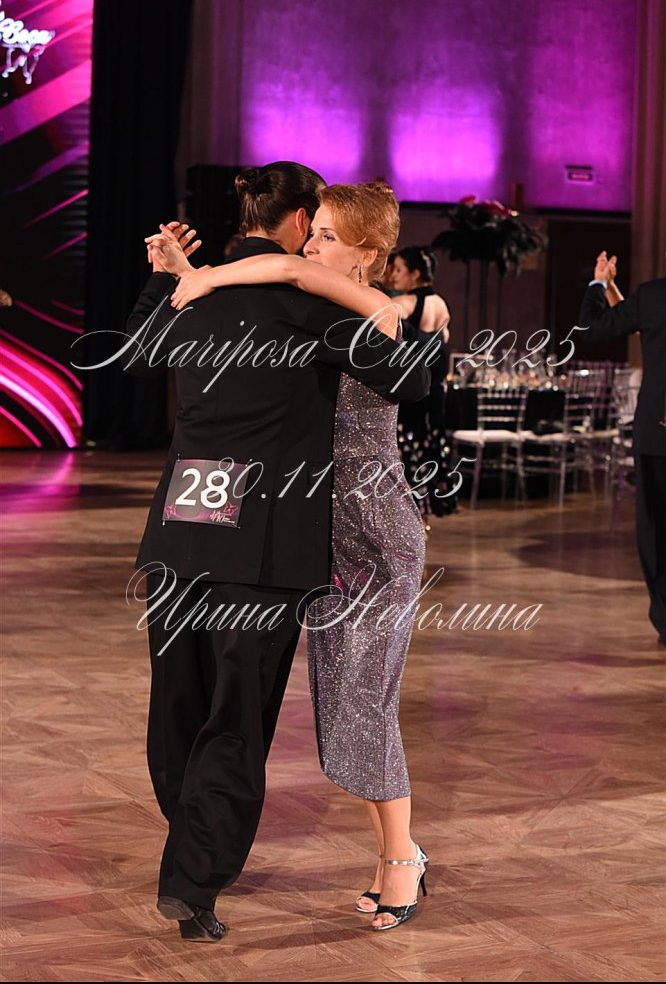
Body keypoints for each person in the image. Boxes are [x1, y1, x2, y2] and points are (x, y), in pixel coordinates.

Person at [125, 162, 431, 942]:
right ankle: (194, 875)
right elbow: (411, 378)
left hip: (180, 532)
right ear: (298, 224)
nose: (316, 243)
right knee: (233, 715)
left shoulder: (196, 293)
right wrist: (370, 303)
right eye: (315, 228)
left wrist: (169, 277)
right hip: (259, 548)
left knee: (178, 705)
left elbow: (133, 354)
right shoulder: (309, 308)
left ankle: (191, 848)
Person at [580, 250, 666, 646]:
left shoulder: (654, 296)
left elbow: (593, 327)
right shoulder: (650, 300)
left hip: (659, 431)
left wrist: (600, 283)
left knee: (655, 529)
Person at [390, 246, 456, 530]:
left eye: (399, 269)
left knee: (408, 448)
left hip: (413, 390)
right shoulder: (441, 304)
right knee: (428, 445)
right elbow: (443, 344)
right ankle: (426, 510)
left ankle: (413, 512)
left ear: (415, 274)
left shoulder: (403, 303)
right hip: (436, 392)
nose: (393, 275)